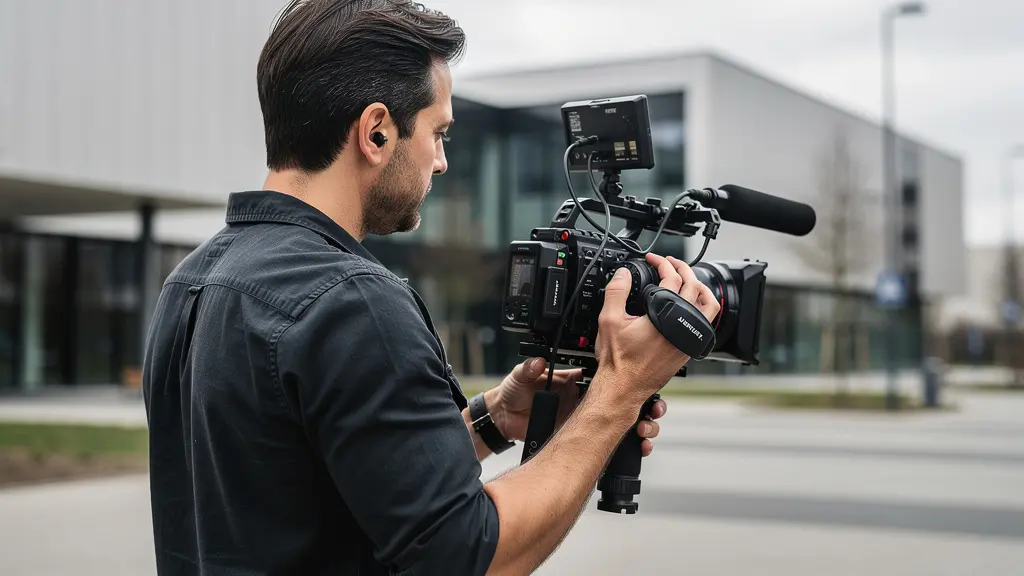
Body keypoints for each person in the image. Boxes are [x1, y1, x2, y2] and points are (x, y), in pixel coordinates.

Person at [141, 1, 722, 575]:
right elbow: (469, 556)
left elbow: (314, 485)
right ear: (376, 132)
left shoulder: (191, 281)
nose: (441, 162)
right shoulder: (353, 303)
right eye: (438, 133)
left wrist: (493, 419)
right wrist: (617, 395)